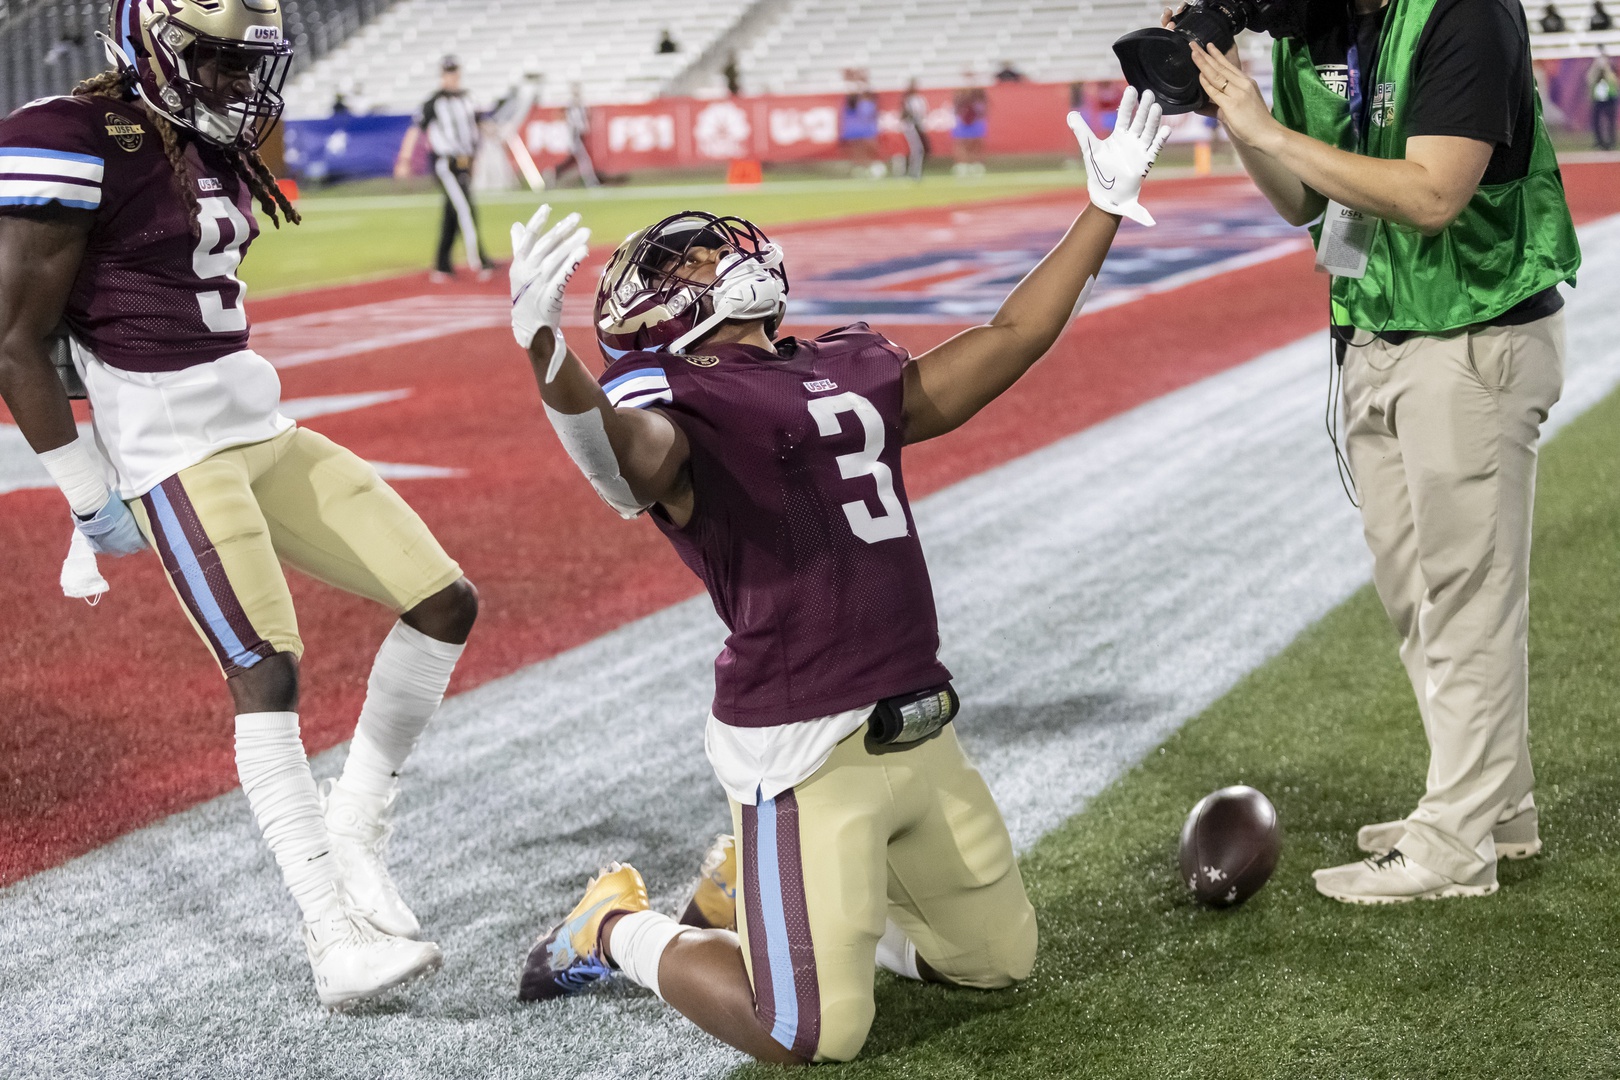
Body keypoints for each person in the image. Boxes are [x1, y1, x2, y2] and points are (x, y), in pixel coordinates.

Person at [501, 89, 1169, 1064]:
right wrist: (547, 356)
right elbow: (622, 456)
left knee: (994, 962)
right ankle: (612, 926)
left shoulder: (840, 365)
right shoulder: (676, 404)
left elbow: (1006, 339)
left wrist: (1103, 208)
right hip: (798, 737)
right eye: (686, 260)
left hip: (915, 721)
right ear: (656, 313)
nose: (715, 253)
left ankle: (764, 897)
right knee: (805, 1029)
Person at [0, 0, 477, 1007]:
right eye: (208, 56)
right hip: (175, 448)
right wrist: (90, 496)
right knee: (265, 672)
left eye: (241, 58)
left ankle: (355, 825)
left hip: (259, 426)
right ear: (148, 45)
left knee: (443, 601)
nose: (230, 77)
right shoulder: (81, 135)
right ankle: (330, 933)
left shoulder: (217, 144)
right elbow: (14, 340)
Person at [1185, 0, 1580, 903]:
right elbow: (1300, 202)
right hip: (1375, 332)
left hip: (1474, 333)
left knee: (1467, 593)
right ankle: (1494, 805)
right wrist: (1233, 106)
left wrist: (1264, 127)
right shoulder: (1312, 29)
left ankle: (1456, 844)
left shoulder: (1465, 12)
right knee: (1416, 593)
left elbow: (1433, 194)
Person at [395, 55, 490, 280]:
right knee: (465, 208)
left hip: (465, 162)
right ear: (442, 76)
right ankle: (480, 261)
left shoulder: (468, 98)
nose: (453, 77)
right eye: (449, 73)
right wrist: (405, 160)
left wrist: (477, 156)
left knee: (452, 212)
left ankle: (442, 264)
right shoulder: (434, 102)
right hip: (445, 163)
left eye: (455, 73)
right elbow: (415, 129)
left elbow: (477, 128)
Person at [548, 82, 599, 189]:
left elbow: (585, 119)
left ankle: (553, 174)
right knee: (583, 160)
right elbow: (572, 121)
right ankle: (591, 182)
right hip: (575, 135)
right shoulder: (571, 105)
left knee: (573, 161)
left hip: (579, 135)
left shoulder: (581, 104)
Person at [839, 87, 883, 177]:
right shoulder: (860, 105)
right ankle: (863, 167)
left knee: (864, 150)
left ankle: (866, 166)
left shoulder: (865, 105)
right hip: (861, 130)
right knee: (861, 150)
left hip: (863, 130)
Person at [951, 81, 988, 175]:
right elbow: (956, 108)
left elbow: (984, 110)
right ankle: (962, 165)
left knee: (976, 144)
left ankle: (975, 165)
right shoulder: (960, 98)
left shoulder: (979, 98)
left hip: (975, 121)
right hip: (963, 122)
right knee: (962, 144)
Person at [900, 78, 930, 180]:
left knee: (919, 150)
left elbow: (923, 113)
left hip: (918, 126)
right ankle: (913, 172)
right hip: (911, 126)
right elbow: (904, 115)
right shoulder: (907, 100)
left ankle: (914, 171)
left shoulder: (919, 99)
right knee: (917, 149)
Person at [1590, 45, 1618, 149]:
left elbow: (1613, 80)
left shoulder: (1611, 67)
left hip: (1610, 98)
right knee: (1597, 121)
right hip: (1599, 98)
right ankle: (1599, 142)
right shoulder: (1595, 68)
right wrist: (1596, 66)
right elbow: (1590, 79)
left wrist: (1606, 66)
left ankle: (1610, 143)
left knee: (1610, 122)